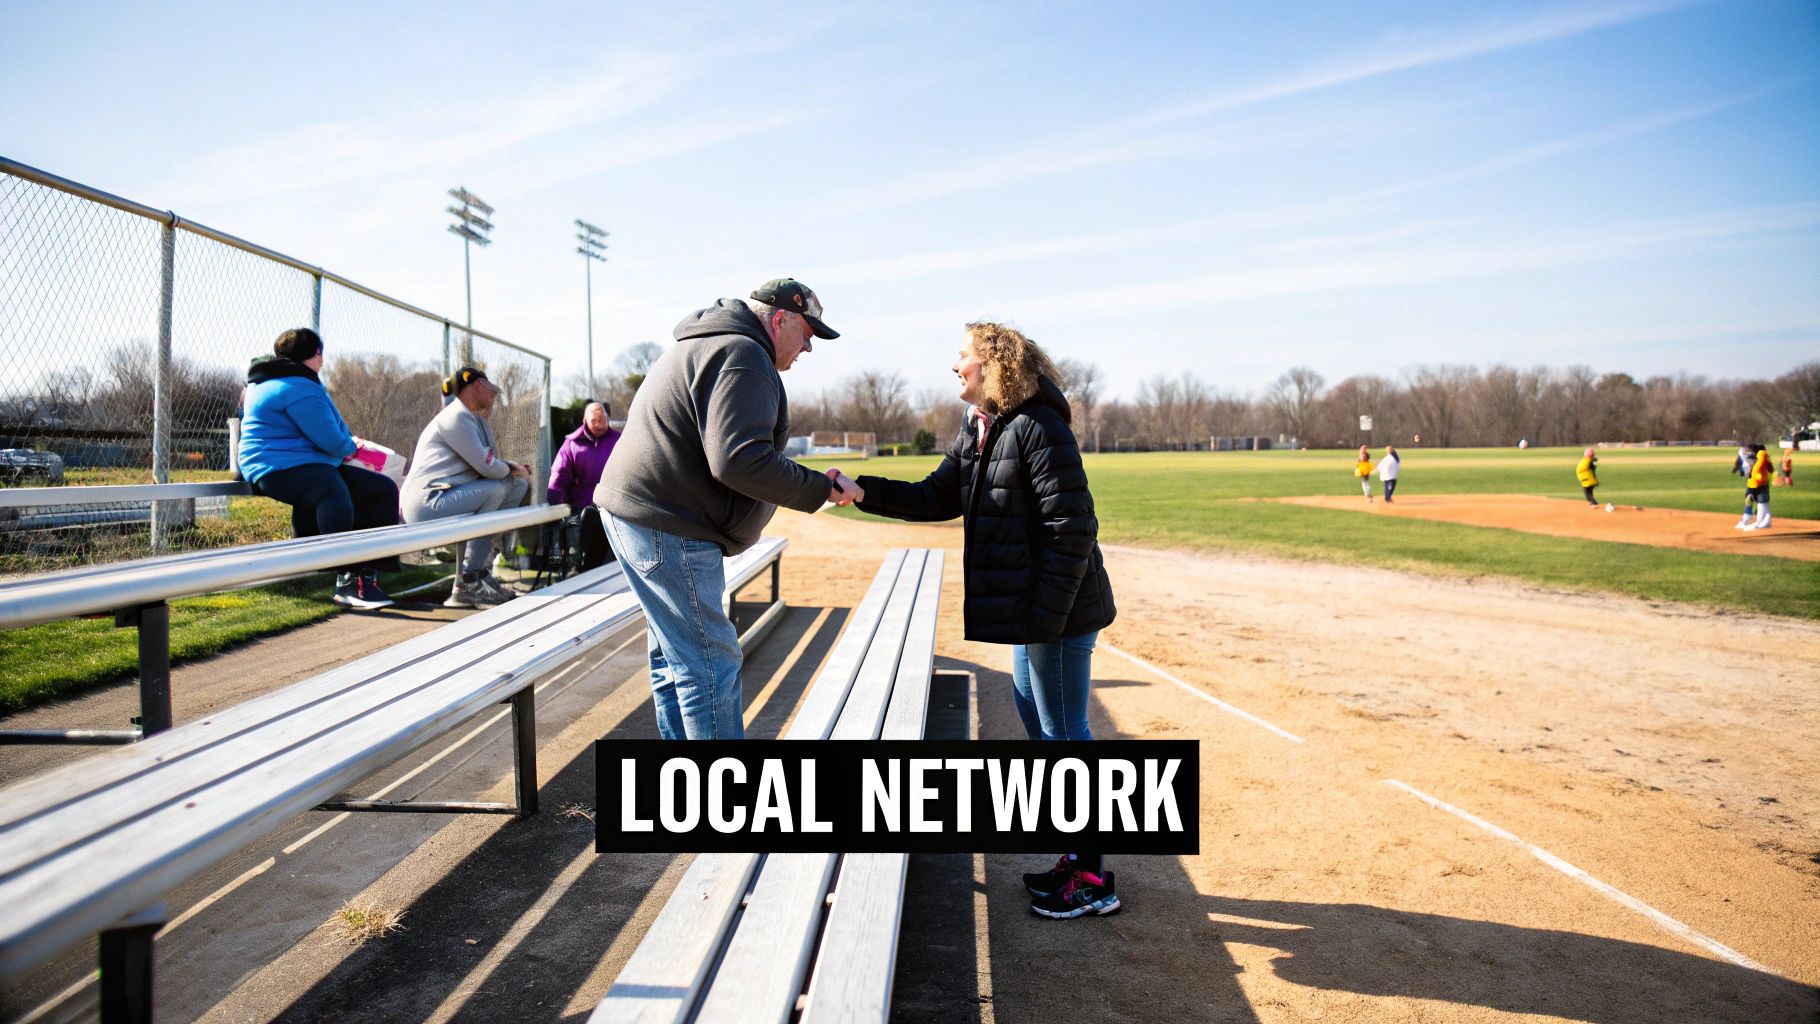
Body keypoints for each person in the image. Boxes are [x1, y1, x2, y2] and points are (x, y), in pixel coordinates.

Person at [849, 321, 1119, 921]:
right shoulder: (979, 429)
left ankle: (1095, 874)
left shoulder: (1037, 425)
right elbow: (934, 498)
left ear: (993, 366)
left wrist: (1045, 622)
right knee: (1035, 717)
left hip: (1061, 611)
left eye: (963, 356)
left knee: (1065, 732)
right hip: (1038, 614)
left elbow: (1072, 531)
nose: (955, 365)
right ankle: (1078, 856)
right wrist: (861, 491)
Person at [595, 278, 859, 741]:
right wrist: (820, 489)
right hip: (665, 523)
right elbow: (740, 461)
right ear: (780, 320)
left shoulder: (717, 342)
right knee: (709, 661)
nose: (809, 348)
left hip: (640, 513)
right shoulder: (745, 354)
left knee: (676, 659)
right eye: (807, 334)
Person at [238, 327, 397, 609]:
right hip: (277, 466)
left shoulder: (273, 379)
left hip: (300, 462)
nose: (322, 361)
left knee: (380, 488)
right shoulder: (297, 386)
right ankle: (346, 581)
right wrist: (352, 448)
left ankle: (366, 577)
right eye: (320, 354)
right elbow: (333, 441)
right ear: (316, 354)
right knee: (331, 492)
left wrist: (344, 445)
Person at [401, 366, 532, 607]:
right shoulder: (456, 416)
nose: (494, 395)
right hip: (426, 503)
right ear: (476, 386)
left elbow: (491, 460)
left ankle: (478, 572)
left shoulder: (472, 417)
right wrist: (511, 466)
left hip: (446, 496)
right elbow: (489, 467)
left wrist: (510, 469)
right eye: (490, 389)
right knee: (497, 488)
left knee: (516, 486)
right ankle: (469, 580)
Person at [548, 400, 620, 570]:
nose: (599, 424)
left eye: (602, 419)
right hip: (581, 508)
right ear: (585, 420)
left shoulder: (618, 440)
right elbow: (559, 476)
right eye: (594, 420)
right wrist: (553, 503)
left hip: (613, 507)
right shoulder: (572, 444)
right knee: (583, 550)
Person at [1740, 444, 1773, 531]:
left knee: (1761, 502)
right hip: (1760, 483)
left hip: (1760, 484)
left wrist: (1753, 469)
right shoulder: (1762, 456)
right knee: (1763, 503)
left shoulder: (1762, 454)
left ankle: (1759, 523)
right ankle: (1765, 521)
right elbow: (1770, 468)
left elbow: (1759, 468)